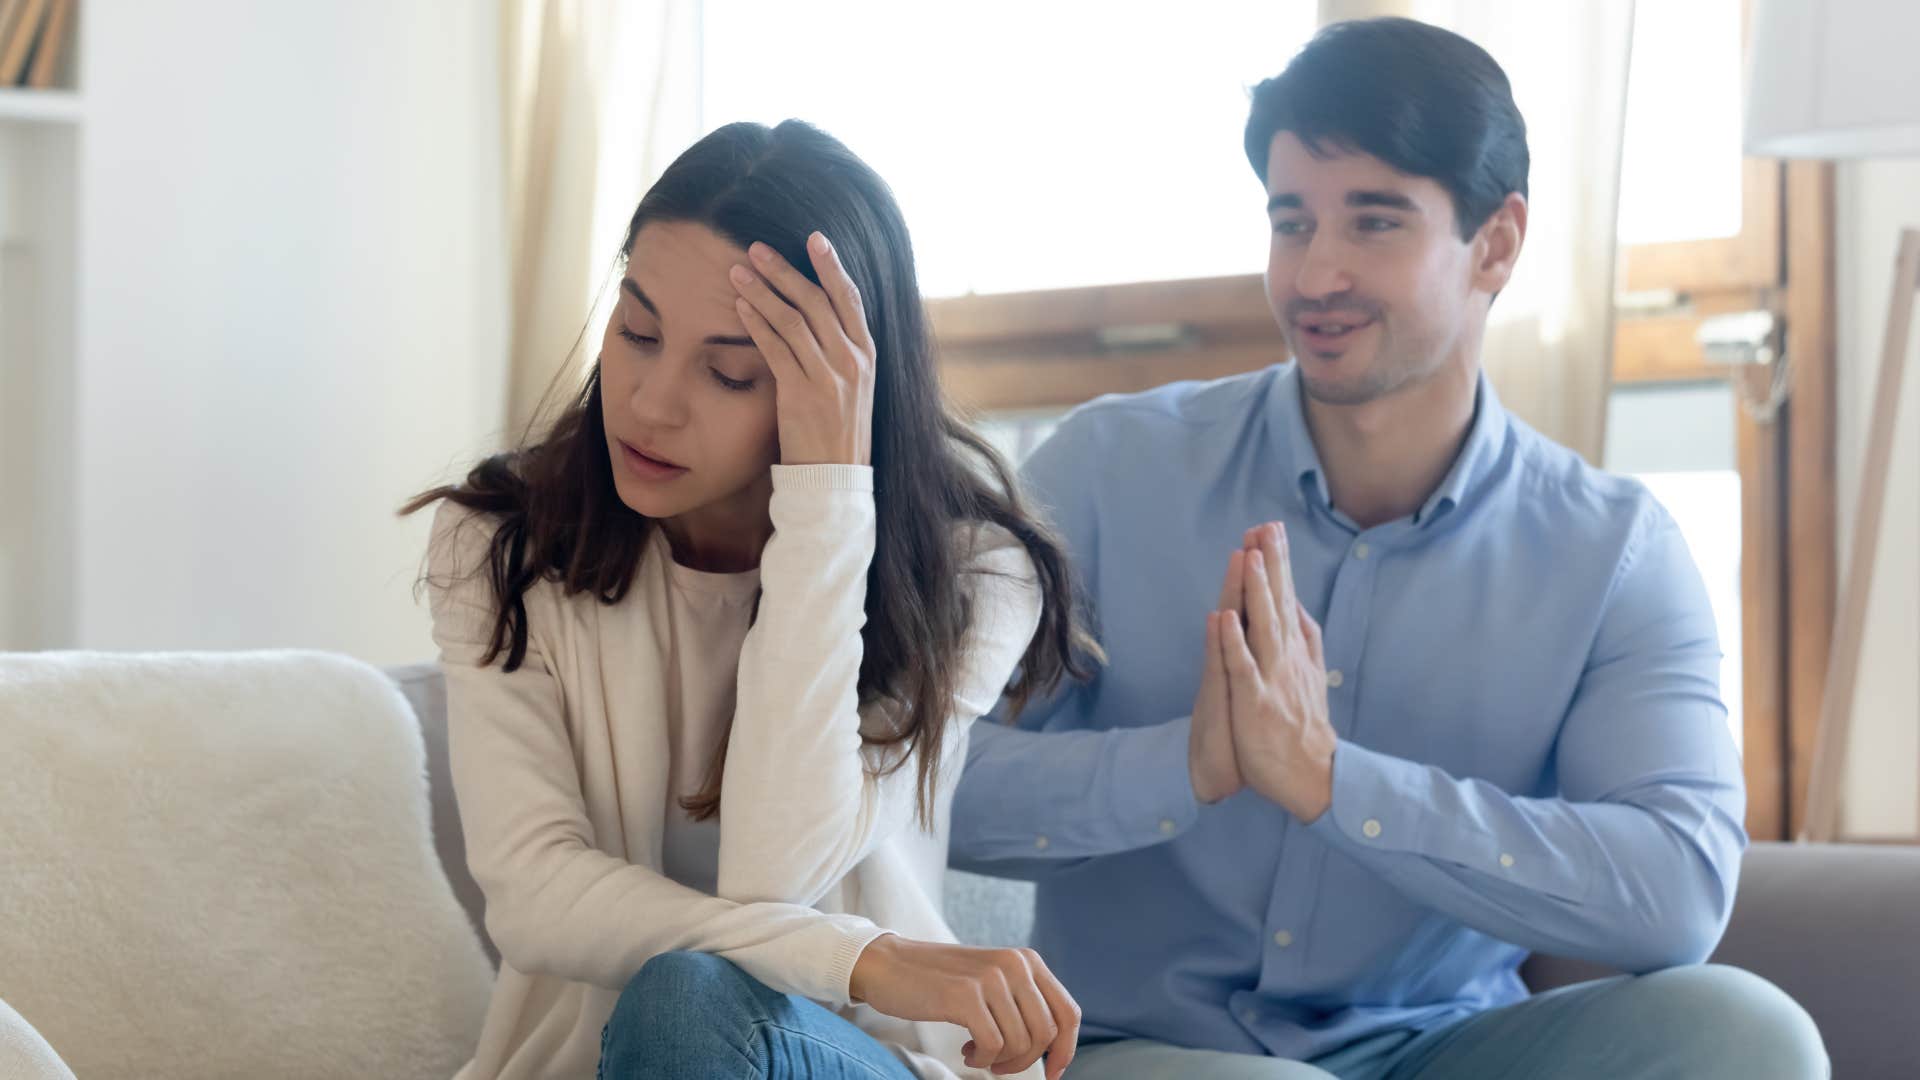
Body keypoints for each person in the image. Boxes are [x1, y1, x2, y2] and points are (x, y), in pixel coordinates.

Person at [949, 18, 1828, 1079]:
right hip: (1142, 1048)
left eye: (1374, 223)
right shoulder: (1104, 470)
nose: (1316, 275)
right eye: (1292, 221)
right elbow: (918, 784)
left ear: (1496, 243)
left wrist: (1334, 784)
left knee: (1751, 1036)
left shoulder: (1614, 554)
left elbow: (1676, 892)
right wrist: (1183, 766)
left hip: (1447, 1044)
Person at [409, 119, 1088, 1080]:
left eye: (730, 372)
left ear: (844, 389)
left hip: (858, 1058)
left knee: (690, 1004)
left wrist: (824, 498)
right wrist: (869, 960)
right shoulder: (503, 544)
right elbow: (536, 892)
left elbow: (779, 867)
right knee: (678, 1003)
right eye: (636, 332)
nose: (648, 402)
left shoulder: (974, 576)